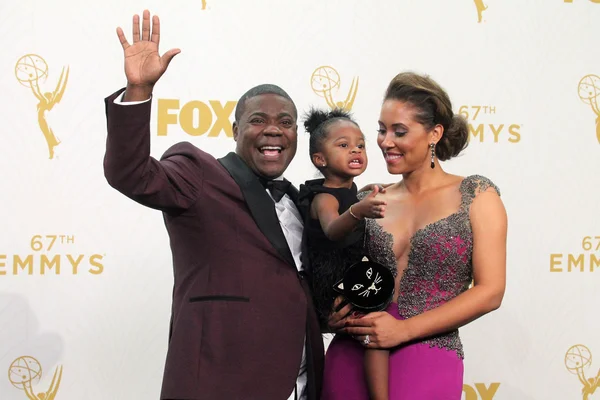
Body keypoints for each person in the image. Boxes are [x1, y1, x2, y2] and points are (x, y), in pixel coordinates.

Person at [102, 10, 324, 400]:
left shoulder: (302, 200)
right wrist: (138, 91)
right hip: (219, 383)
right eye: (258, 120)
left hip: (298, 383)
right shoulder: (198, 174)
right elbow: (130, 173)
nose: (274, 129)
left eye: (286, 122)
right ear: (236, 131)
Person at [324, 71, 507, 399]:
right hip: (354, 351)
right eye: (381, 130)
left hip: (428, 350)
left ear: (434, 133)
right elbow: (334, 266)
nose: (385, 141)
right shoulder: (372, 198)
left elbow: (491, 291)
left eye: (399, 131)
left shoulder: (477, 194)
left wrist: (403, 330)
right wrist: (334, 311)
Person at [297, 108, 392, 400]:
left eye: (360, 145)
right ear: (319, 159)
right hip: (332, 286)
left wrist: (366, 196)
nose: (355, 150)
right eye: (343, 145)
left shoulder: (354, 191)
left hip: (354, 279)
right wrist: (357, 210)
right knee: (375, 329)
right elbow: (332, 230)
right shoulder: (323, 197)